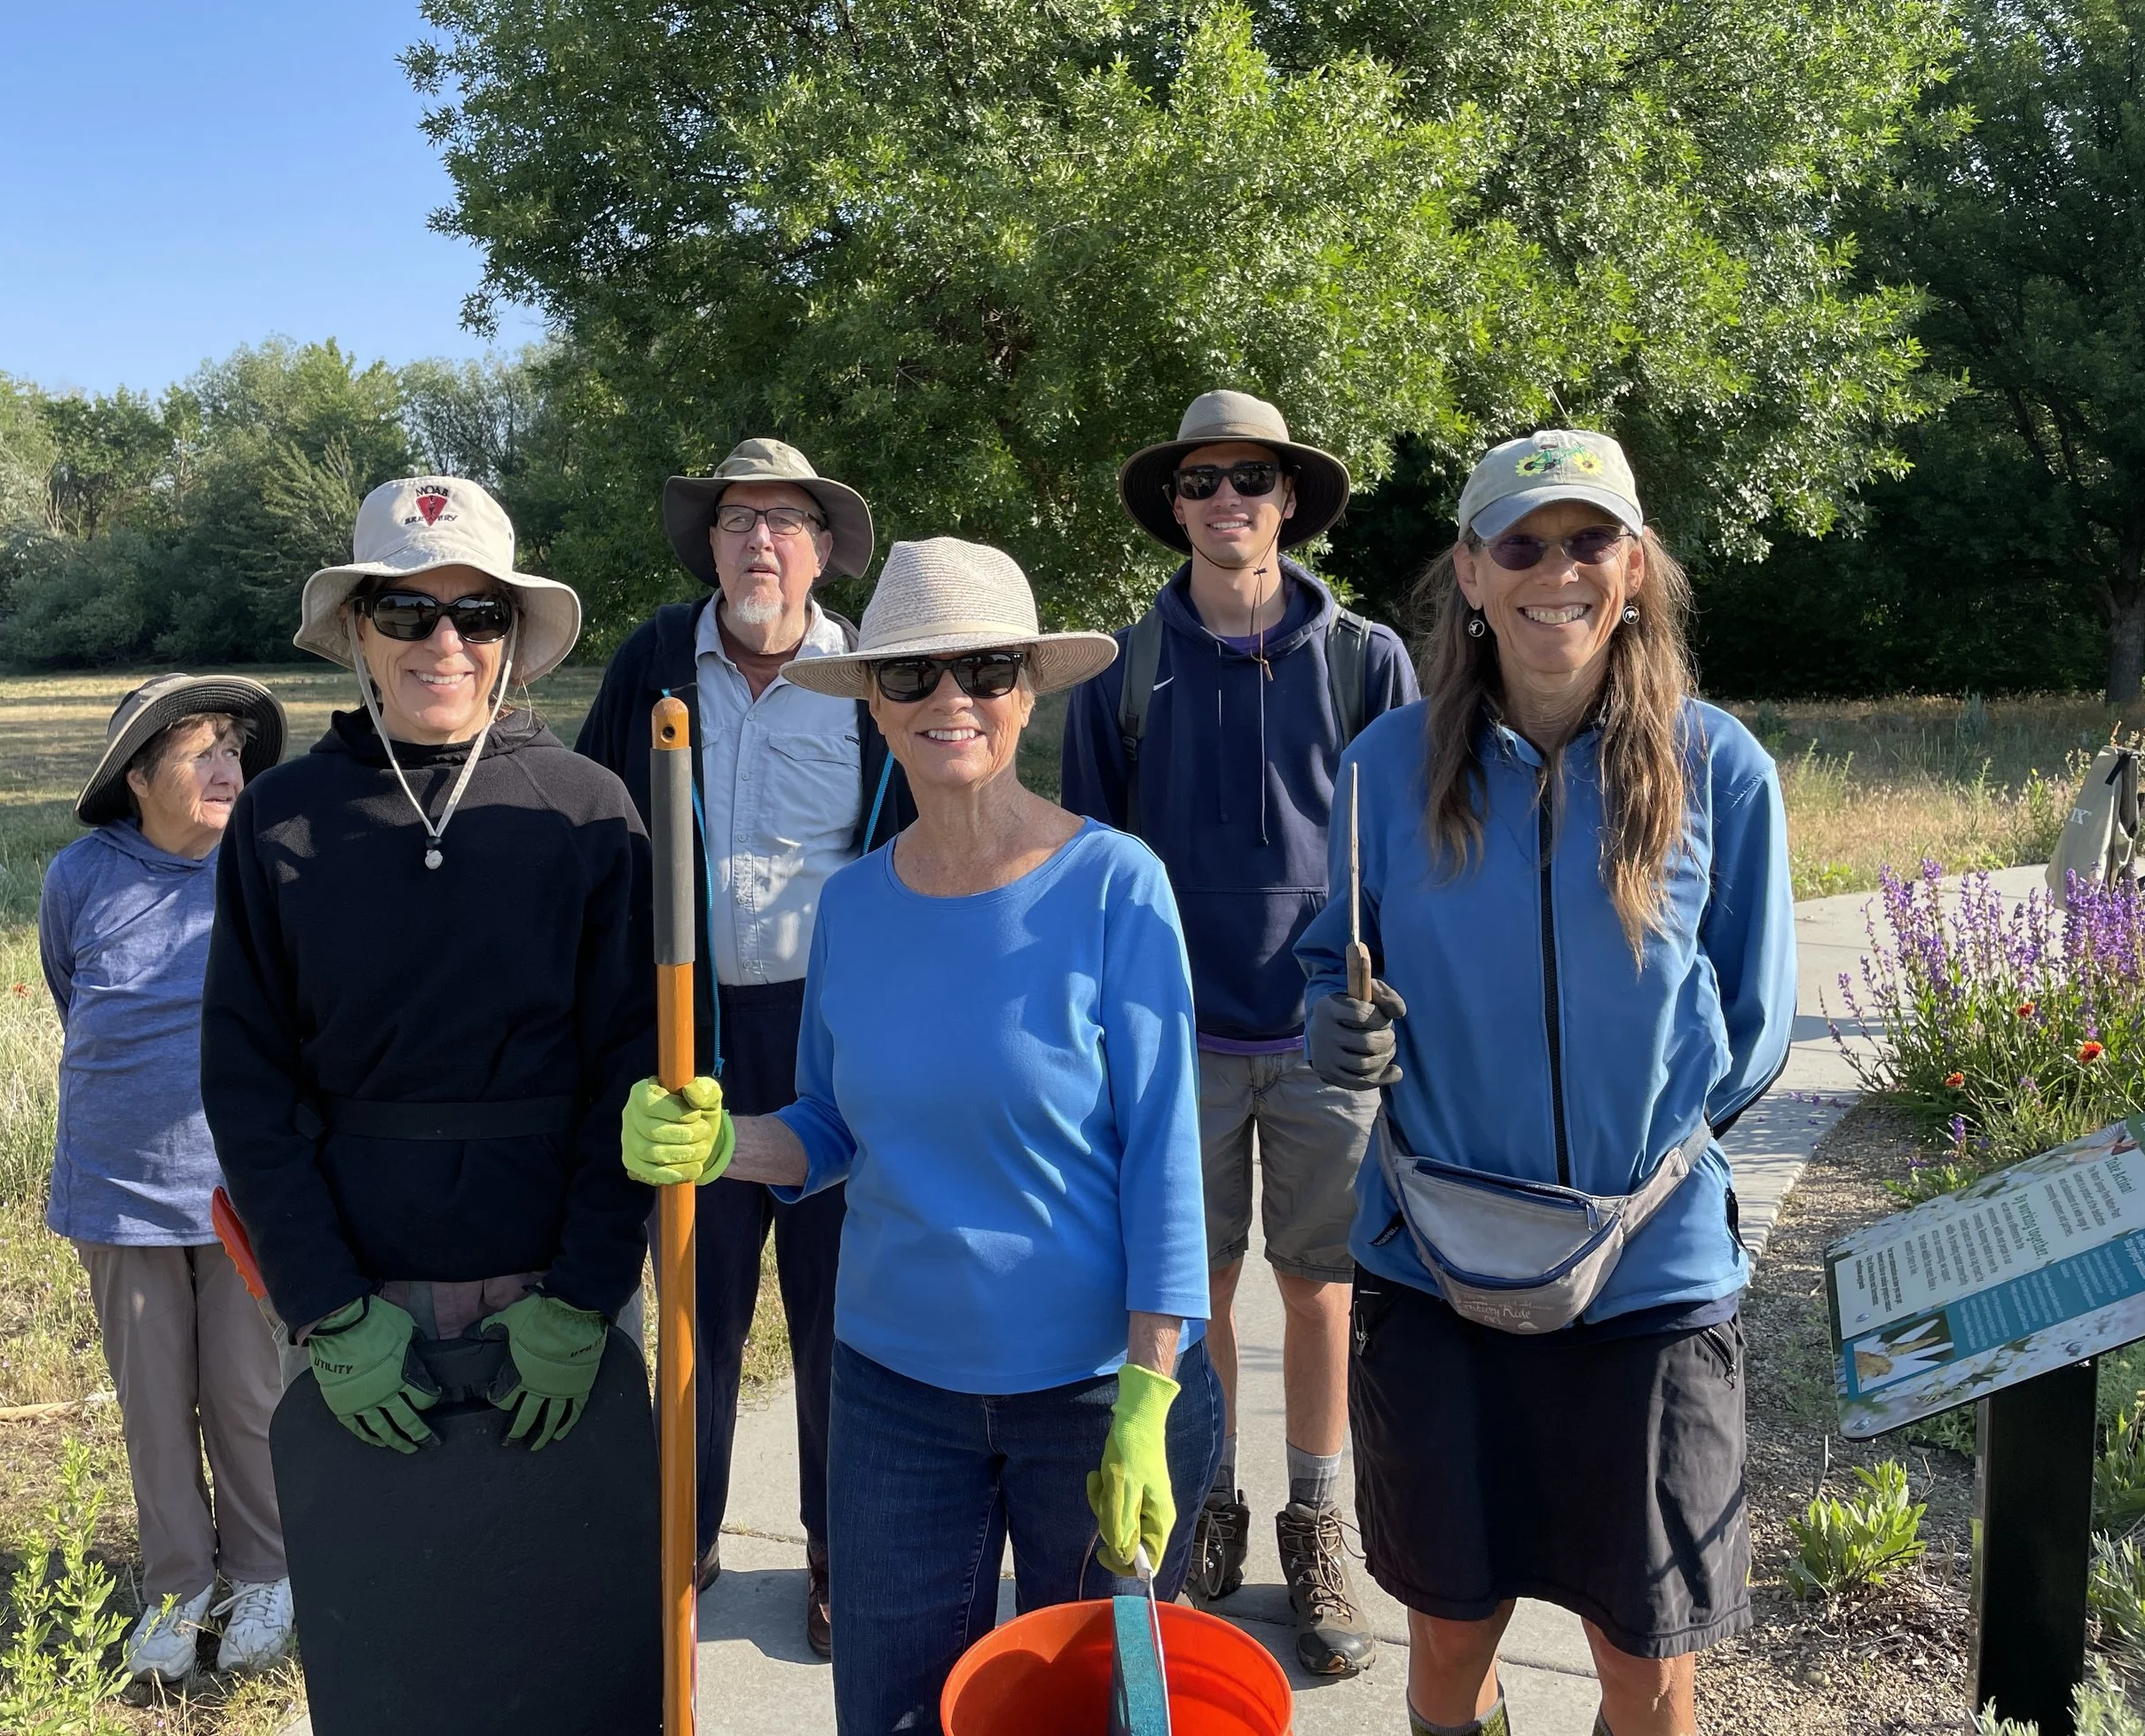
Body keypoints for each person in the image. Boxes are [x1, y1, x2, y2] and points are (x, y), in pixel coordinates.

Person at [621, 538, 1219, 1735]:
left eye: (985, 669)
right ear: (876, 706)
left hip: (1092, 1394)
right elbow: (830, 1126)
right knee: (890, 1714)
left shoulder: (1116, 885)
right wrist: (722, 1144)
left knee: (1086, 1719)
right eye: (912, 675)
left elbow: (1165, 1162)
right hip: (894, 1398)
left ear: (1027, 690)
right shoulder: (851, 904)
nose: (951, 698)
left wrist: (1150, 1391)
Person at [1296, 430, 1795, 1736]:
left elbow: (1753, 1027)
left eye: (1589, 541)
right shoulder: (1384, 767)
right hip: (1431, 1270)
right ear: (1471, 572)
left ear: (1633, 567)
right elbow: (1331, 962)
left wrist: (1630, 1162)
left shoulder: (1720, 769)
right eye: (1520, 543)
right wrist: (1333, 1029)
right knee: (1449, 1637)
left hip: (1648, 1283)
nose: (1554, 570)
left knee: (1644, 1658)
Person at [201, 475, 653, 1520]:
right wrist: (326, 1304)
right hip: (361, 1299)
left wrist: (585, 1293)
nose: (444, 642)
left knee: (573, 1588)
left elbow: (635, 1063)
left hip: (556, 1291)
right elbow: (245, 1080)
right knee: (385, 1597)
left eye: (478, 612)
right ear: (359, 628)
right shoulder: (279, 816)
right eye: (407, 609)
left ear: (511, 635)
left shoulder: (586, 809)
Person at [1064, 388, 1417, 1674]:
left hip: (1326, 1038)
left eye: (1251, 478)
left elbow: (1416, 853)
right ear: (1174, 506)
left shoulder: (1367, 660)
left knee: (1320, 1288)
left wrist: (1386, 1004)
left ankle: (1319, 1523)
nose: (1227, 500)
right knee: (1191, 1286)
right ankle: (1207, 1495)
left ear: (1289, 499)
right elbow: (1090, 866)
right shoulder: (1121, 669)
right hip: (1177, 1042)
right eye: (1201, 480)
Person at [574, 437, 910, 1654]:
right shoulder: (657, 661)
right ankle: (688, 1531)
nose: (758, 540)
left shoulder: (872, 677)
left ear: (822, 549)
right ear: (708, 545)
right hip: (692, 1029)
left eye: (783, 520)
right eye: (735, 519)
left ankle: (834, 1548)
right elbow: (594, 822)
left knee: (837, 1313)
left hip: (832, 1037)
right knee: (696, 1305)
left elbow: (919, 838)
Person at [42, 674, 291, 1685]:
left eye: (234, 748)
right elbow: (71, 994)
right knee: (152, 1406)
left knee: (245, 1395)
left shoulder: (265, 868)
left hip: (241, 1191)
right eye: (201, 752)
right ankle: (177, 1587)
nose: (228, 767)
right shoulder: (81, 876)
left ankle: (264, 1574)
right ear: (139, 779)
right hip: (118, 1192)